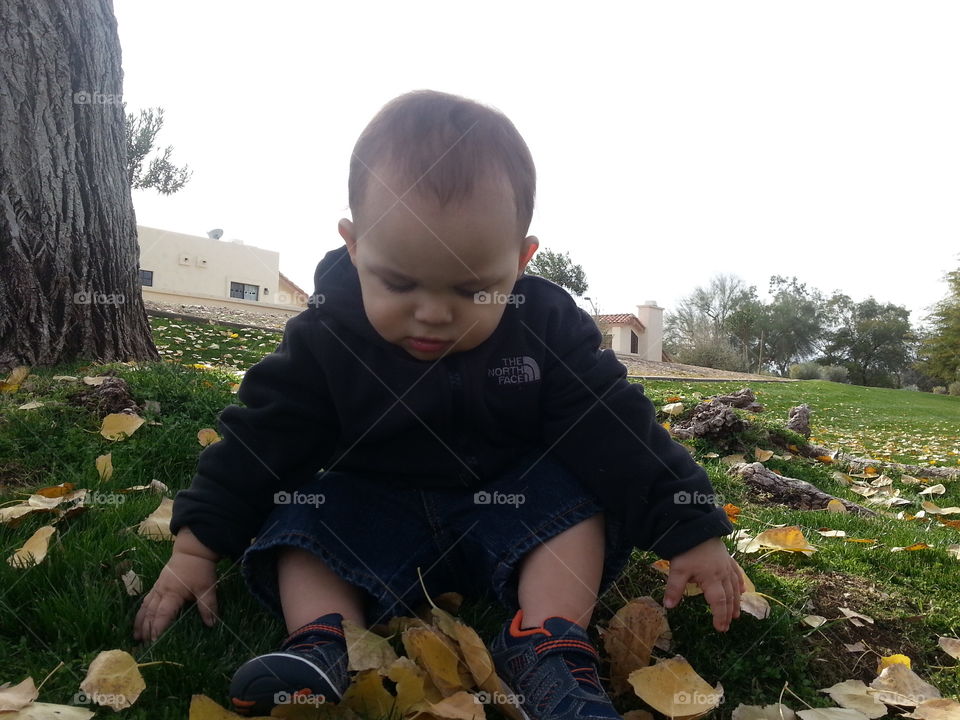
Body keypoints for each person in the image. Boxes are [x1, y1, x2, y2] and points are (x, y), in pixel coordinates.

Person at [132, 89, 745, 720]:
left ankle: (549, 641)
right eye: (398, 282)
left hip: (510, 515)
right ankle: (322, 642)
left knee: (576, 510)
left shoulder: (547, 328)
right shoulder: (327, 332)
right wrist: (197, 548)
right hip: (375, 510)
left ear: (520, 259)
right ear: (353, 245)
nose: (431, 311)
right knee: (304, 521)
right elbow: (263, 435)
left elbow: (615, 425)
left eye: (472, 289)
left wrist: (689, 525)